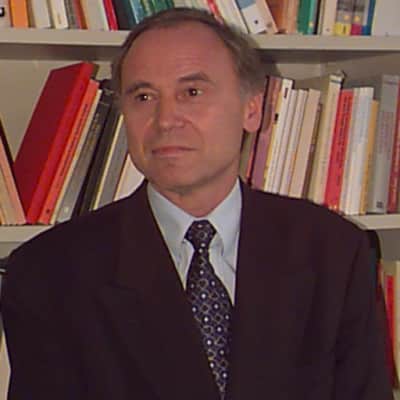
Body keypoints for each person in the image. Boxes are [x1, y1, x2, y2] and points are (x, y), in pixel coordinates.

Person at [1, 7, 392, 400]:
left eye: (192, 92)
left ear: (252, 109)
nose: (166, 119)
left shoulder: (334, 252)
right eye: (144, 96)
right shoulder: (49, 273)